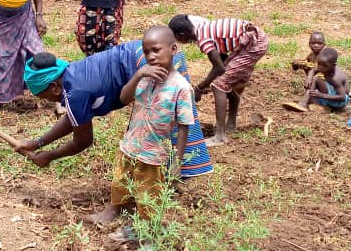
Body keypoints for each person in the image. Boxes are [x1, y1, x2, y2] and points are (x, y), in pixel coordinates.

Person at [16, 41, 213, 180]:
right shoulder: (72, 74)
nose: (50, 101)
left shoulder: (75, 93)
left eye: (44, 97)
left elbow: (83, 141)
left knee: (144, 137)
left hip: (148, 63)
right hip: (158, 51)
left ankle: (156, 185)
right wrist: (38, 142)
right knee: (178, 120)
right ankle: (181, 173)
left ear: (53, 87)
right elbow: (76, 119)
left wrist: (49, 156)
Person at [86, 26, 193, 251]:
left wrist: (178, 161)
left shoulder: (181, 87)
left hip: (152, 156)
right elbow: (124, 98)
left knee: (149, 200)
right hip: (129, 148)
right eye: (146, 52)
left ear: (173, 49)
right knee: (125, 190)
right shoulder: (144, 78)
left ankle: (150, 246)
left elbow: (185, 126)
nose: (151, 56)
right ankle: (134, 228)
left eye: (156, 50)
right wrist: (138, 75)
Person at [168, 14, 270, 146]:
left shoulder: (203, 38)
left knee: (219, 86)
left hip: (254, 44)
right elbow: (222, 60)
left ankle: (220, 136)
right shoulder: (203, 28)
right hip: (252, 40)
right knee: (226, 81)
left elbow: (219, 68)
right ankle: (231, 124)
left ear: (181, 35)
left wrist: (199, 87)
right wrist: (207, 83)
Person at [283, 47, 350, 113]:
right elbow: (313, 70)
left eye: (324, 65)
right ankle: (316, 105)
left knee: (315, 79)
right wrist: (309, 78)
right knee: (314, 80)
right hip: (331, 94)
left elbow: (342, 97)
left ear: (333, 65)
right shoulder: (326, 66)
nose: (320, 67)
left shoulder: (336, 78)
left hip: (339, 101)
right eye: (319, 63)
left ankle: (305, 103)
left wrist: (321, 95)